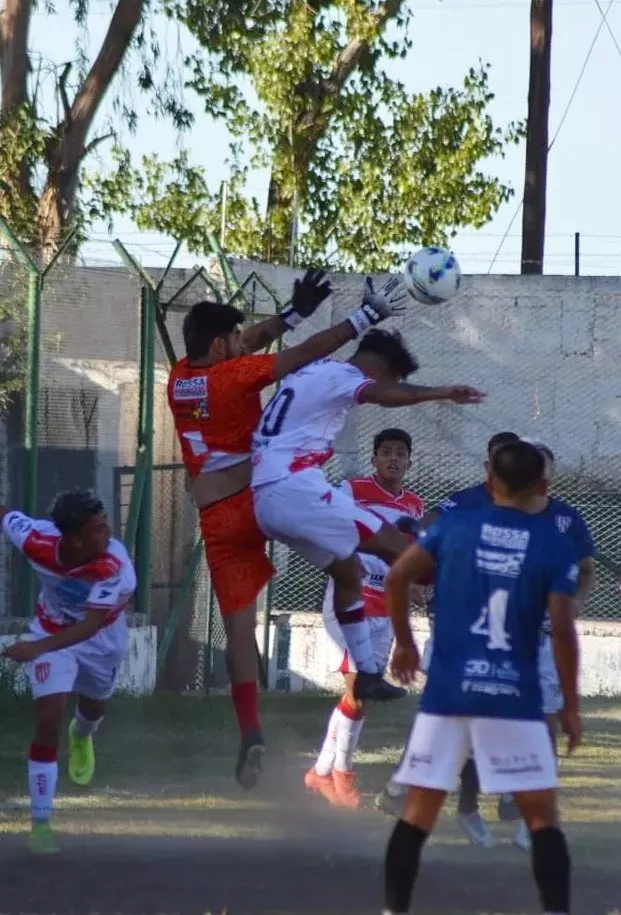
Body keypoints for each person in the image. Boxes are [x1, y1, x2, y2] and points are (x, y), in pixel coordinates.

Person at [167, 269, 409, 789]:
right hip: (261, 494)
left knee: (238, 628)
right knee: (362, 556)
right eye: (234, 337)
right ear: (219, 343)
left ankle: (251, 731)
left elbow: (250, 341)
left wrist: (291, 313)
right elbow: (301, 354)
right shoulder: (235, 377)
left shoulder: (180, 376)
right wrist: (363, 316)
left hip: (216, 517)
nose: (243, 341)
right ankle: (377, 658)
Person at [381, 440, 580, 915]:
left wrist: (405, 643)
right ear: (542, 485)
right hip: (512, 695)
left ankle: (393, 911)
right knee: (541, 818)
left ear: (490, 479)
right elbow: (564, 633)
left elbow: (396, 578)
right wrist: (570, 704)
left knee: (417, 815)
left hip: (448, 692)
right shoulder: (554, 544)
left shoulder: (454, 525)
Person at [251, 328, 485, 704]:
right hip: (292, 486)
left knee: (349, 571)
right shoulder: (345, 378)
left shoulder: (312, 371)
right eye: (395, 378)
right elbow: (382, 395)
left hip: (264, 496)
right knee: (403, 551)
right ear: (382, 369)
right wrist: (441, 392)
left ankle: (367, 675)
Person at [1, 490, 136, 855]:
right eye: (98, 528)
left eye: (106, 524)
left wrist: (34, 648)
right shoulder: (35, 539)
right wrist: (41, 644)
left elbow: (90, 626)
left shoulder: (115, 566)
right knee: (48, 718)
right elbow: (5, 514)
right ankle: (41, 824)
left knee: (94, 708)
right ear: (74, 538)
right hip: (50, 630)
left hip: (101, 642)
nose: (108, 532)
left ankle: (83, 733)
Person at [305, 428, 425, 809]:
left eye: (400, 453)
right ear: (373, 459)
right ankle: (341, 774)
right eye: (386, 452)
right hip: (351, 600)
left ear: (409, 461)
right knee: (359, 687)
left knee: (359, 695)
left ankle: (321, 772)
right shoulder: (352, 489)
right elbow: (326, 523)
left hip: (386, 606)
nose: (393, 458)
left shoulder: (415, 506)